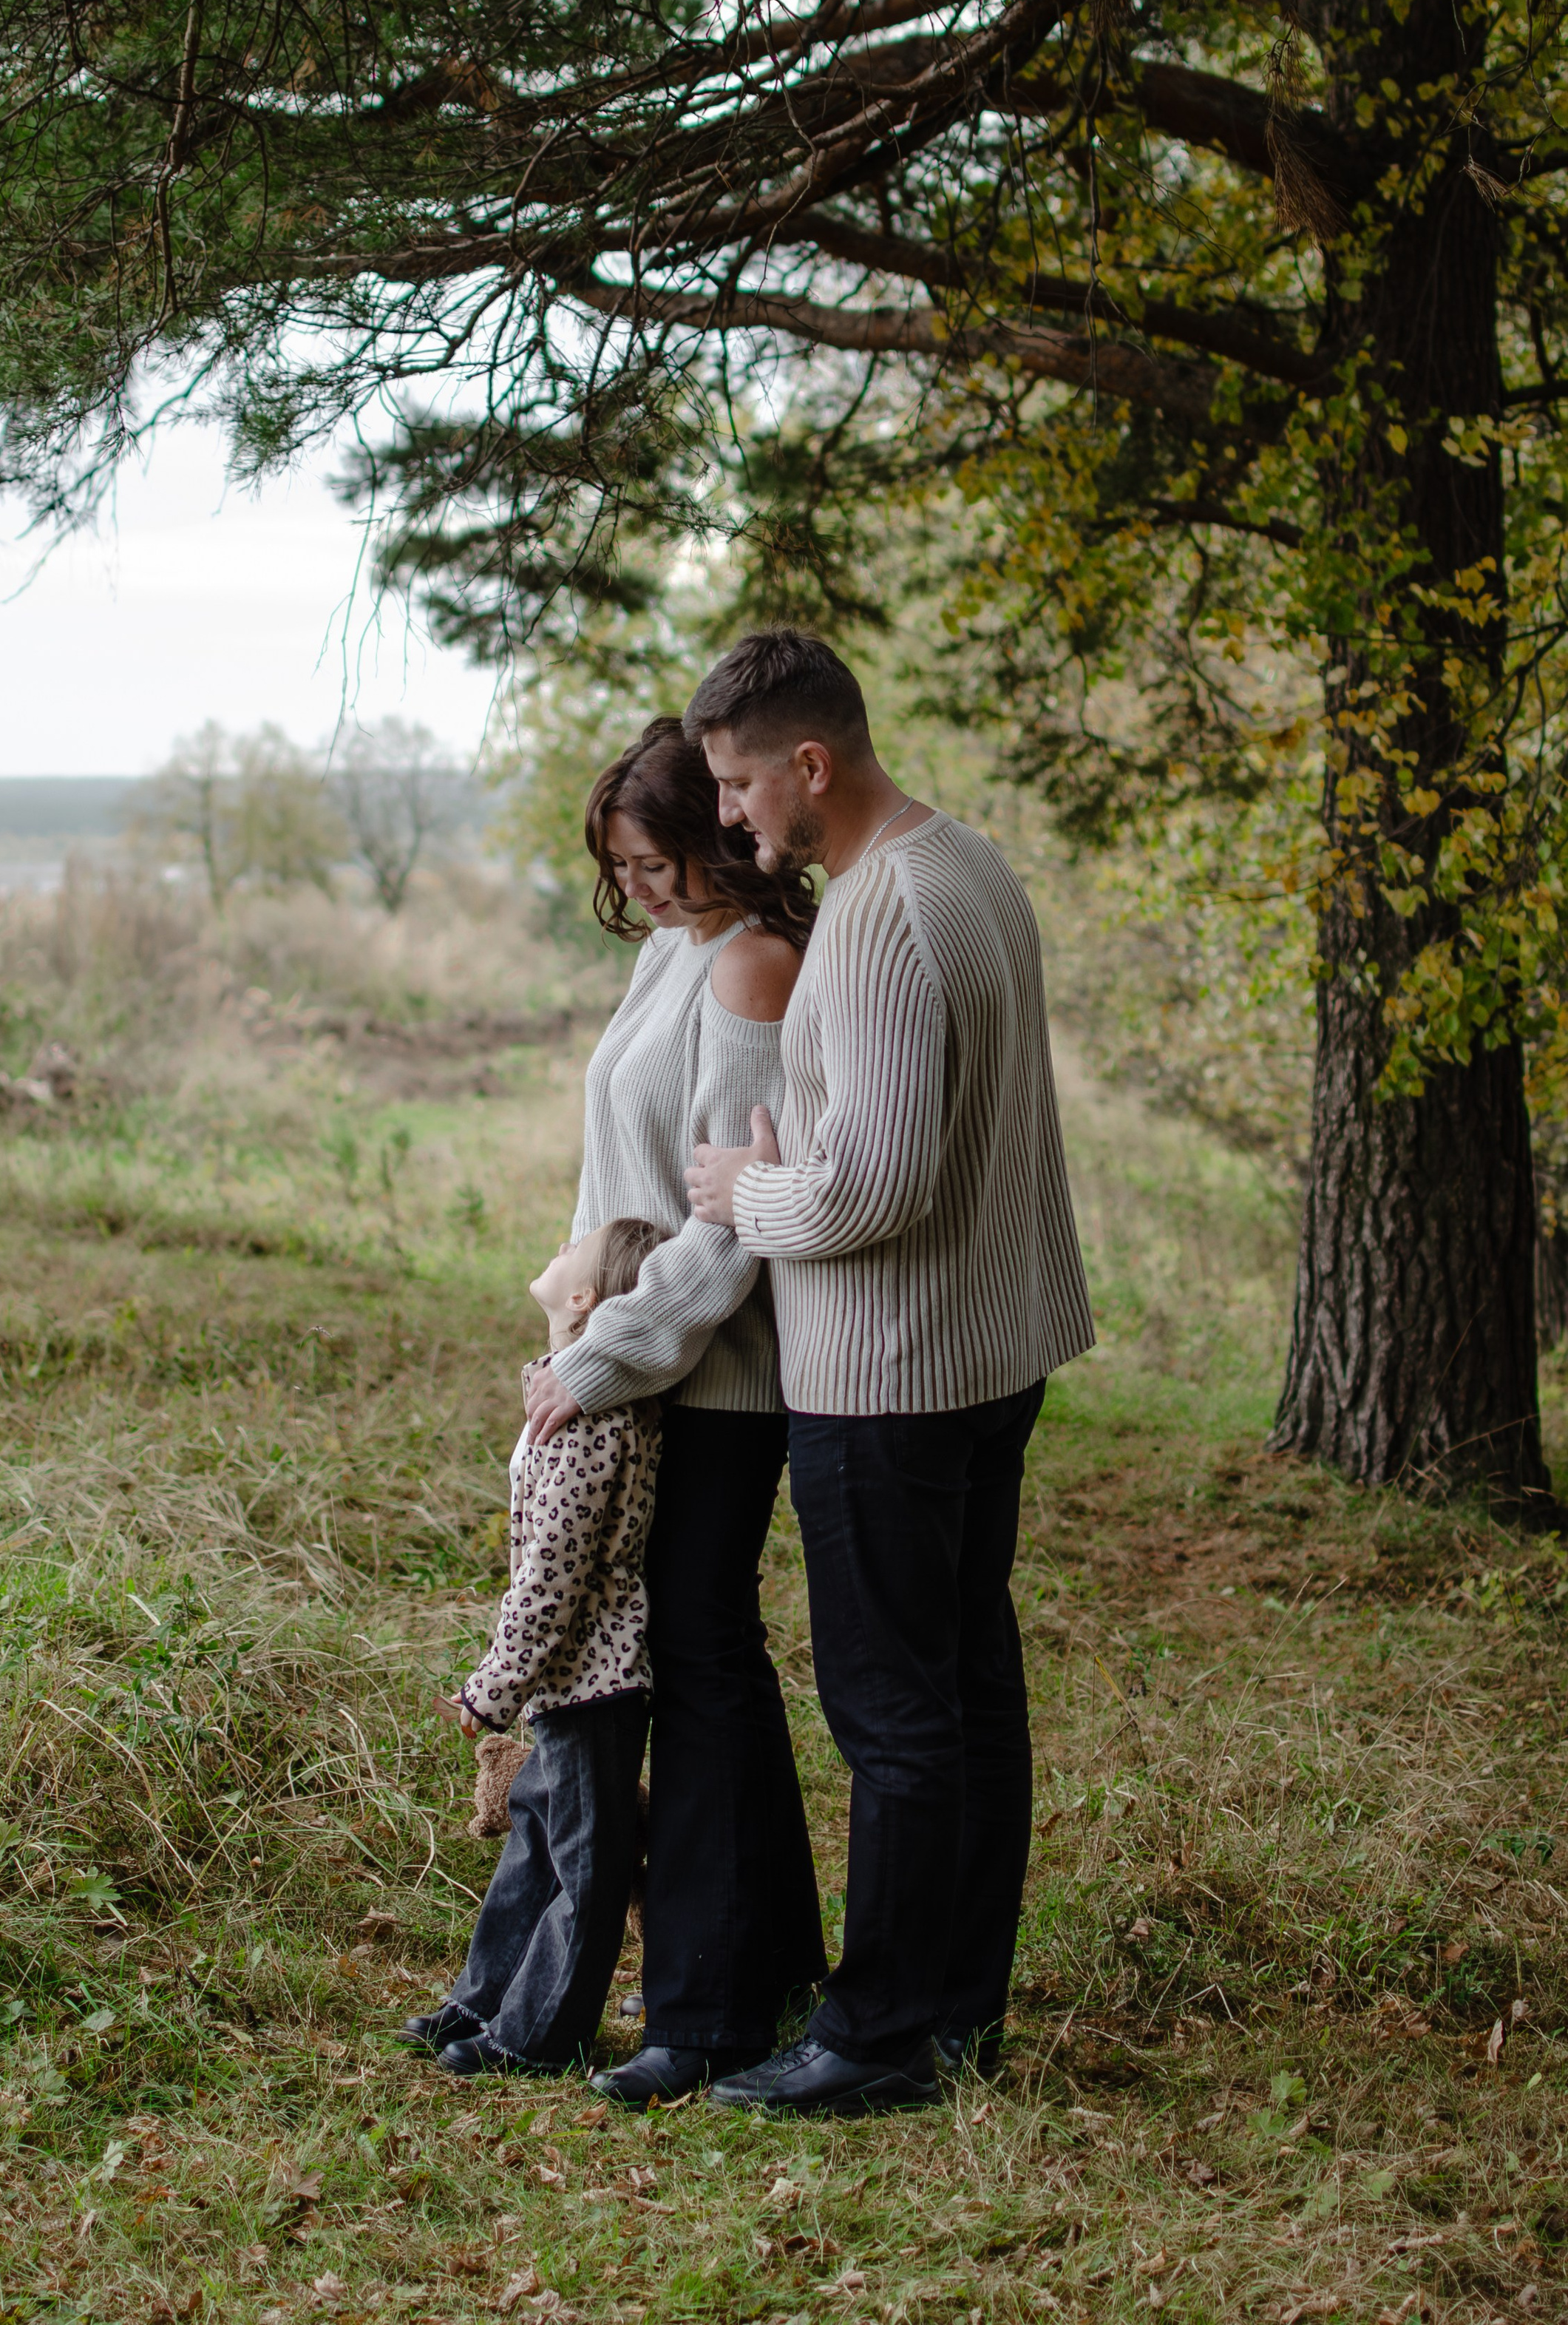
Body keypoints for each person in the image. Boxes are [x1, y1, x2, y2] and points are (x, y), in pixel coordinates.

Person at [682, 629, 1094, 2118]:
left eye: (740, 785)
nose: (729, 816)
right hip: (986, 1350)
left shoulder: (873, 918)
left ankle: (874, 2041)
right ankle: (954, 2012)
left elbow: (870, 1187)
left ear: (810, 764)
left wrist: (742, 1190)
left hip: (891, 1375)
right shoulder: (966, 862)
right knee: (967, 1691)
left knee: (894, 1713)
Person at [520, 718, 827, 2104]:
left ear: (713, 837)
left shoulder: (751, 963)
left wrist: (605, 1357)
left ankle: (708, 2012)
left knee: (702, 1663)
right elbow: (625, 1181)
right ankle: (769, 1966)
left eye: (654, 861)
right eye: (620, 868)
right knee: (700, 1659)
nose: (635, 890)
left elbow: (730, 1228)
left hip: (714, 1375)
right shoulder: (671, 953)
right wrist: (575, 1321)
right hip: (638, 1362)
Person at [408, 1216, 668, 2077]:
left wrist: (494, 1687)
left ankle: (539, 2035)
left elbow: (553, 1576)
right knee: (535, 1840)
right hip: (565, 1680)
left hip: (593, 1681)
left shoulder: (593, 1421)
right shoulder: (562, 1398)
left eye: (572, 1249)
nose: (559, 1246)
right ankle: (484, 2000)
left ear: (584, 1298)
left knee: (586, 1863)